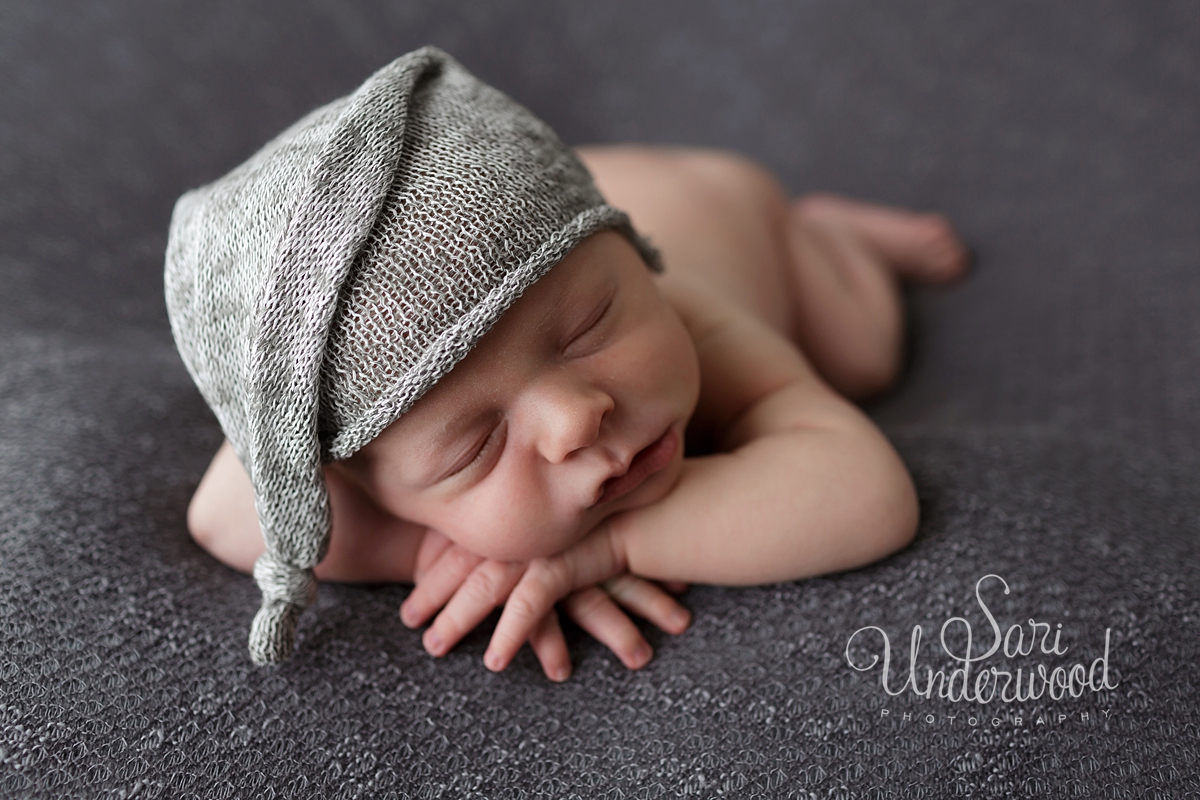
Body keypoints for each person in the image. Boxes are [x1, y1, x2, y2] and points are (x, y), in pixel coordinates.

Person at [172, 47, 967, 680]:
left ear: (633, 263)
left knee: (862, 356)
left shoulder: (689, 312)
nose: (577, 416)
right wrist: (432, 549)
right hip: (552, 208)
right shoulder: (329, 431)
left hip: (723, 205)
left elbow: (868, 497)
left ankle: (834, 237)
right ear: (345, 477)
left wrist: (600, 548)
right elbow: (224, 514)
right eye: (475, 445)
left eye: (589, 328)